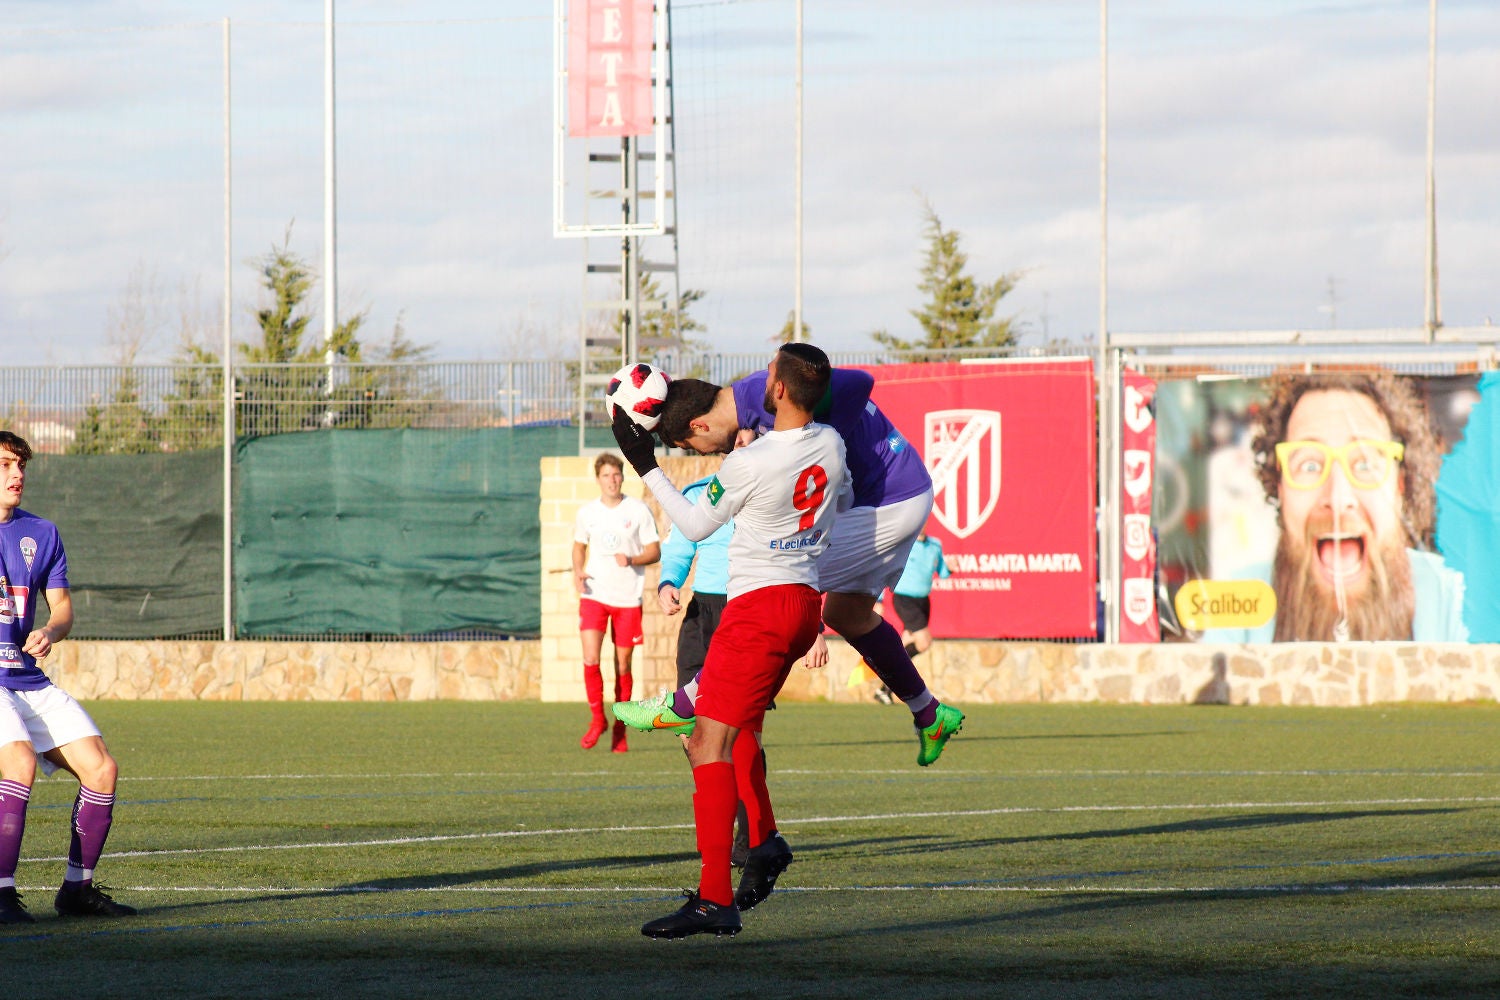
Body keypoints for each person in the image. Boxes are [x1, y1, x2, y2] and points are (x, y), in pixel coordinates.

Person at [614, 361, 965, 767]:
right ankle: (929, 713)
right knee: (847, 615)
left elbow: (859, 383)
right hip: (897, 493)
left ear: (700, 426)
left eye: (692, 447)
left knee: (762, 582)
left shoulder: (764, 400)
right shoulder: (755, 412)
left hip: (889, 500)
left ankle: (686, 700)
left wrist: (833, 438)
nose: (700, 454)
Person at [611, 343, 851, 938]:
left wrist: (644, 463)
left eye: (769, 374)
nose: (759, 379)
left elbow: (693, 523)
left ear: (778, 392)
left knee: (703, 744)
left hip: (758, 607)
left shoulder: (754, 461)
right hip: (801, 601)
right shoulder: (832, 443)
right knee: (739, 726)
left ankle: (715, 897)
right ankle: (765, 841)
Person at [1204, 371, 1466, 642]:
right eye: (1309, 466)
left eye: (1365, 464)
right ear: (1280, 487)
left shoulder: (1457, 604)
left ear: (1400, 484)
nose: (1339, 498)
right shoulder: (1238, 607)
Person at [0, 431, 135, 922]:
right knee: (18, 761)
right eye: (5, 465)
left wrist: (50, 632)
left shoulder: (43, 533)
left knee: (101, 768)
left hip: (27, 679)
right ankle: (1, 891)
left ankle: (77, 891)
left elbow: (62, 610)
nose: (17, 475)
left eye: (21, 466)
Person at [571, 452, 660, 752]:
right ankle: (598, 720)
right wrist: (577, 571)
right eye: (606, 475)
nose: (612, 480)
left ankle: (620, 729)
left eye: (616, 474)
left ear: (622, 477)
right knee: (590, 658)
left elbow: (654, 551)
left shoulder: (638, 510)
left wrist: (633, 558)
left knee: (622, 663)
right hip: (595, 595)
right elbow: (578, 546)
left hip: (627, 599)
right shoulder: (587, 513)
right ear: (598, 479)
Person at [872, 528, 949, 704]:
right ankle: (890, 680)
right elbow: (886, 568)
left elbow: (943, 572)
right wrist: (880, 599)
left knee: (904, 647)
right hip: (904, 599)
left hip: (923, 601)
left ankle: (885, 689)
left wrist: (950, 569)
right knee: (923, 642)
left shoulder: (935, 544)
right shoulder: (904, 543)